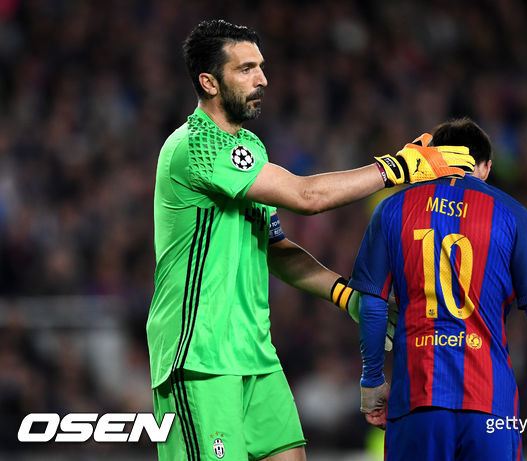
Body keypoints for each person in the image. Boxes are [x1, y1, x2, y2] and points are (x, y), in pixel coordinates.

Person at [146, 19, 474, 461]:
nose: (262, 79)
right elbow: (307, 197)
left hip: (254, 352)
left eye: (261, 66)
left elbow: (276, 249)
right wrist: (396, 167)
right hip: (199, 356)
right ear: (209, 82)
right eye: (245, 69)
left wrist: (347, 295)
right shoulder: (194, 146)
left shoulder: (250, 148)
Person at [351, 118, 527, 460]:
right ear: (485, 167)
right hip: (490, 405)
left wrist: (372, 380)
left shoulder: (391, 209)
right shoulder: (513, 214)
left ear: (430, 159)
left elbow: (372, 304)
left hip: (417, 399)